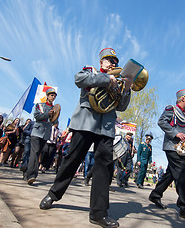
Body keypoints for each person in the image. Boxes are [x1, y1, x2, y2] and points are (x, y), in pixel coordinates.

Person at [39, 47, 133, 228]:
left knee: (104, 168)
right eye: (109, 60)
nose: (113, 63)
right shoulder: (91, 71)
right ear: (101, 62)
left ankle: (98, 213)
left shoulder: (119, 82)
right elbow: (78, 79)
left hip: (106, 127)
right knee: (72, 159)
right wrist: (107, 79)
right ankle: (53, 194)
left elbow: (121, 107)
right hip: (85, 123)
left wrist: (127, 88)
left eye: (115, 61)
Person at [148, 89, 185, 224]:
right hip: (173, 146)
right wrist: (176, 133)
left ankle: (155, 195)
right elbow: (161, 122)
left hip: (182, 149)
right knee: (183, 174)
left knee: (171, 174)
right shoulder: (171, 109)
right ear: (182, 99)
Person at [26, 88, 59, 185]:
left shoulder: (54, 108)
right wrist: (47, 114)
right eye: (51, 95)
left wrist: (55, 116)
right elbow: (37, 116)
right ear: (47, 96)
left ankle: (27, 171)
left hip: (45, 135)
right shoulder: (40, 105)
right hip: (37, 132)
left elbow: (55, 122)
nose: (53, 97)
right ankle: (31, 175)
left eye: (54, 96)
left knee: (38, 153)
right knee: (35, 152)